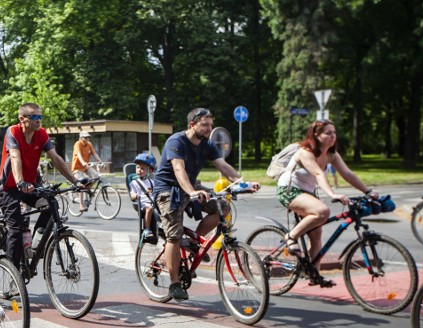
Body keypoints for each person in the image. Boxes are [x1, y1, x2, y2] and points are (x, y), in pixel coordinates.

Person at [153, 107, 260, 301]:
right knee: (174, 236)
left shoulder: (207, 144)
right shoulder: (176, 141)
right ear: (192, 124)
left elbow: (223, 166)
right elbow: (179, 169)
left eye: (210, 125)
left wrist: (243, 183)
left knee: (222, 209)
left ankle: (194, 243)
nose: (209, 128)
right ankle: (174, 284)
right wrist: (192, 192)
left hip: (191, 188)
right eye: (205, 124)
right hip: (168, 190)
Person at [275, 119, 378, 287]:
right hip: (288, 190)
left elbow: (348, 174)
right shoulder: (305, 152)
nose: (332, 136)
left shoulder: (331, 155)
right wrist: (332, 194)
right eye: (328, 133)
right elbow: (317, 174)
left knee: (316, 236)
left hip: (307, 193)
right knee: (322, 211)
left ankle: (314, 275)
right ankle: (291, 236)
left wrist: (367, 191)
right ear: (316, 135)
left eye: (334, 133)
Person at [0, 102, 84, 276]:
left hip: (31, 185)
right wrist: (21, 182)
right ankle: (14, 277)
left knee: (51, 204)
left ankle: (36, 243)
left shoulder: (42, 134)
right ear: (22, 119)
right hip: (9, 187)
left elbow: (56, 159)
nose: (39, 120)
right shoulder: (13, 132)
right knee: (15, 228)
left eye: (40, 117)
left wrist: (76, 181)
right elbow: (15, 156)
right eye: (35, 117)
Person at [71, 130, 104, 211]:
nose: (87, 139)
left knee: (96, 176)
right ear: (80, 138)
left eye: (88, 137)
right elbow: (78, 154)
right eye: (85, 137)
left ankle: (88, 189)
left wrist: (101, 162)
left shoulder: (89, 144)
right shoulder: (77, 144)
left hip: (86, 166)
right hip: (77, 167)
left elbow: (94, 154)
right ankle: (81, 205)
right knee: (81, 185)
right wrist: (83, 162)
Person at [129, 152, 158, 240]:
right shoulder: (134, 182)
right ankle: (146, 229)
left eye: (142, 168)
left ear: (150, 171)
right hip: (142, 203)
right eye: (138, 167)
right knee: (149, 208)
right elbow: (132, 194)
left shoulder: (151, 182)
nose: (139, 170)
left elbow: (156, 192)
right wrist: (135, 195)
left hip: (152, 202)